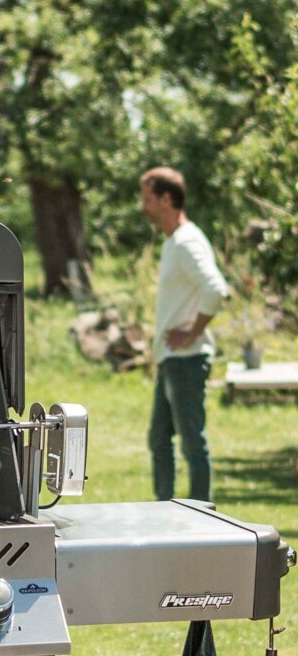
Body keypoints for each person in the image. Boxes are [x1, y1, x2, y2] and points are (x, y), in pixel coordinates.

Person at [139, 166, 229, 503]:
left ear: (166, 198)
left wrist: (193, 332)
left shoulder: (187, 242)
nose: (143, 206)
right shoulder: (174, 241)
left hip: (186, 360)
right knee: (159, 440)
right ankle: (165, 511)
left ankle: (202, 514)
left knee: (192, 443)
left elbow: (215, 288)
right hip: (171, 359)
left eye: (147, 198)